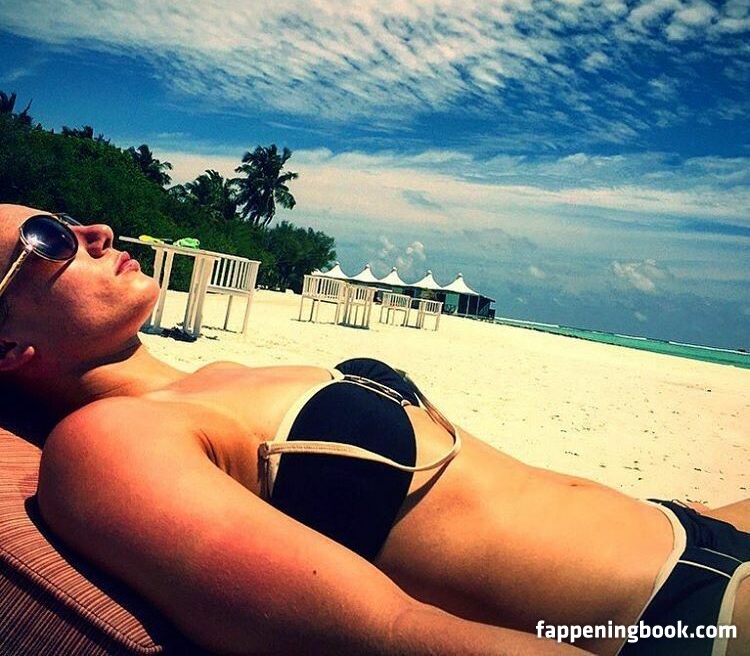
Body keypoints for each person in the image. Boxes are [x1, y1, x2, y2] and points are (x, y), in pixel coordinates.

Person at [0, 204, 747, 656]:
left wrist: (695, 517)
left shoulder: (217, 374)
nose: (93, 230)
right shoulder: (111, 443)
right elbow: (389, 634)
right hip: (672, 619)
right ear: (8, 350)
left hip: (685, 528)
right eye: (44, 241)